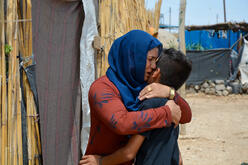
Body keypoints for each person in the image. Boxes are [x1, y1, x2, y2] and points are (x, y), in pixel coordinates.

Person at [80, 30, 191, 165]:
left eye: (155, 61)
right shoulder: (102, 88)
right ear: (132, 57)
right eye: (150, 60)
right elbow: (122, 123)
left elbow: (186, 115)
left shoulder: (143, 85)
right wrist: (166, 113)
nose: (153, 66)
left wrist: (170, 92)